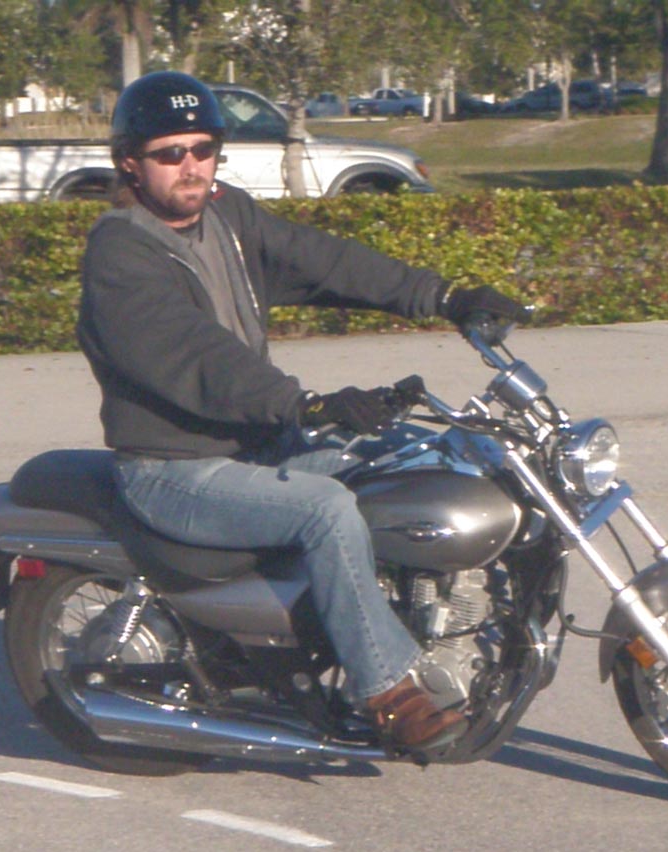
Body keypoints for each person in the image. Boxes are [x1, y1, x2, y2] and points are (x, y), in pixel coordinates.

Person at [77, 71, 530, 752]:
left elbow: (322, 260)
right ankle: (387, 690)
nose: (191, 166)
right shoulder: (121, 252)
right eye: (170, 153)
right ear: (130, 164)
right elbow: (198, 357)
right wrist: (305, 405)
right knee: (325, 510)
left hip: (256, 443)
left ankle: (435, 626)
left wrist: (444, 298)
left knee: (417, 457)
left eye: (204, 148)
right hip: (175, 469)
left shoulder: (226, 215)